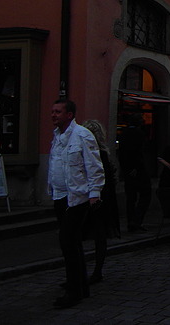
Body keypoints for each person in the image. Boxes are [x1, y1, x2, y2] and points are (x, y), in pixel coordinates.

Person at [48, 99, 105, 308]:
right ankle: (80, 285)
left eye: (58, 112)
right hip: (60, 196)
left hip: (77, 197)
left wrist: (94, 192)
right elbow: (56, 164)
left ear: (69, 114)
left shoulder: (82, 135)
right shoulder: (57, 136)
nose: (53, 115)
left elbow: (94, 165)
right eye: (52, 111)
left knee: (68, 242)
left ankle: (74, 291)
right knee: (71, 243)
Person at [80, 119, 120, 285]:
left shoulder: (98, 153)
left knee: (95, 235)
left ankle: (94, 272)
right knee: (98, 236)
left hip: (95, 199)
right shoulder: (102, 153)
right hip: (101, 199)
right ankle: (94, 271)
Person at [118, 114, 152, 233]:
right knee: (146, 194)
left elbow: (120, 153)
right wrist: (136, 167)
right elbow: (138, 152)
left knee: (130, 198)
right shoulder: (139, 134)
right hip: (138, 169)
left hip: (127, 170)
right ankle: (136, 220)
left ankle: (130, 222)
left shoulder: (123, 134)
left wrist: (125, 168)